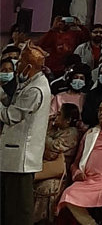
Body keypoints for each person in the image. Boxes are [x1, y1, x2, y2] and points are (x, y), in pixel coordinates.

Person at [0, 41, 52, 225]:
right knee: (8, 207)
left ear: (29, 66)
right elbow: (11, 102)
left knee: (19, 211)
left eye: (20, 62)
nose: (17, 66)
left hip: (21, 158)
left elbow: (10, 116)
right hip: (11, 155)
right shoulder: (29, 82)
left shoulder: (36, 90)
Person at [33, 103, 82, 224]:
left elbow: (54, 150)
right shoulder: (57, 130)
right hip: (43, 167)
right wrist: (48, 127)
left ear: (67, 120)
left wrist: (43, 134)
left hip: (59, 173)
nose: (55, 116)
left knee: (46, 186)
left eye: (59, 114)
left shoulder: (72, 133)